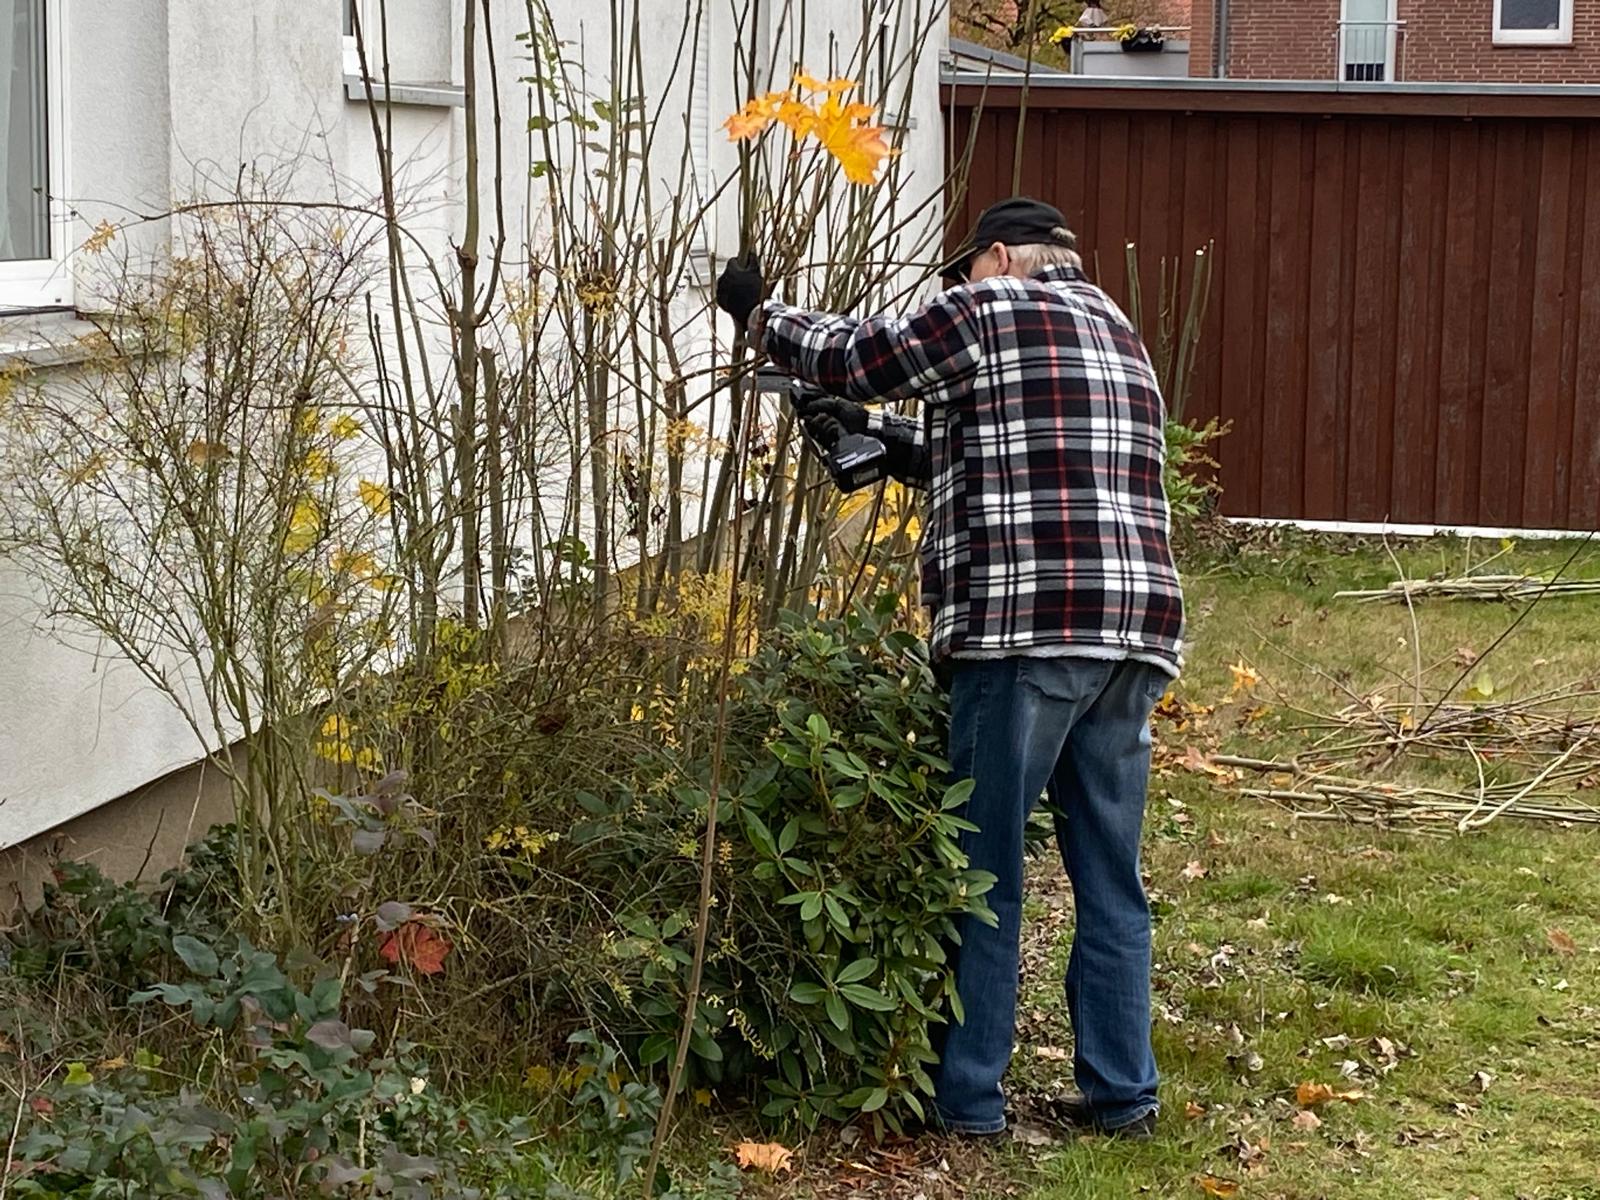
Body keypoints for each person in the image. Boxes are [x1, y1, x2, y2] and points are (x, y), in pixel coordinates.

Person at [714, 197, 1185, 1142]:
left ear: (998, 257)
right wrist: (893, 447)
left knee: (985, 873)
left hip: (1021, 635)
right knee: (1110, 878)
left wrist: (758, 314)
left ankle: (969, 1104)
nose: (953, 291)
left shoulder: (989, 306)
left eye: (961, 272)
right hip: (1132, 636)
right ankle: (1123, 1098)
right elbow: (1027, 457)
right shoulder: (1117, 329)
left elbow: (861, 355)